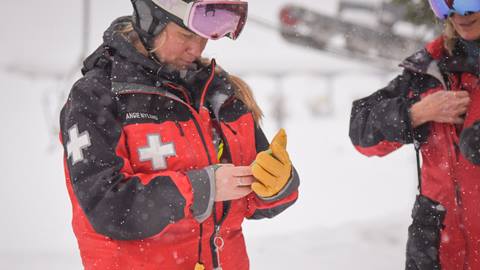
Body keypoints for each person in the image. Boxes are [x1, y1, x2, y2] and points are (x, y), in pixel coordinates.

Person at [59, 0, 300, 269]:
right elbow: (107, 207)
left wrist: (277, 186)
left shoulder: (219, 93)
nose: (197, 48)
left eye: (205, 37)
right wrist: (201, 188)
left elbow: (251, 201)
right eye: (185, 35)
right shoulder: (97, 97)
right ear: (151, 20)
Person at [349, 0, 480, 269]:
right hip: (436, 252)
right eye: (445, 5)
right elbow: (361, 130)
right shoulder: (428, 69)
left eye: (469, 2)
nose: (460, 14)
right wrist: (415, 113)